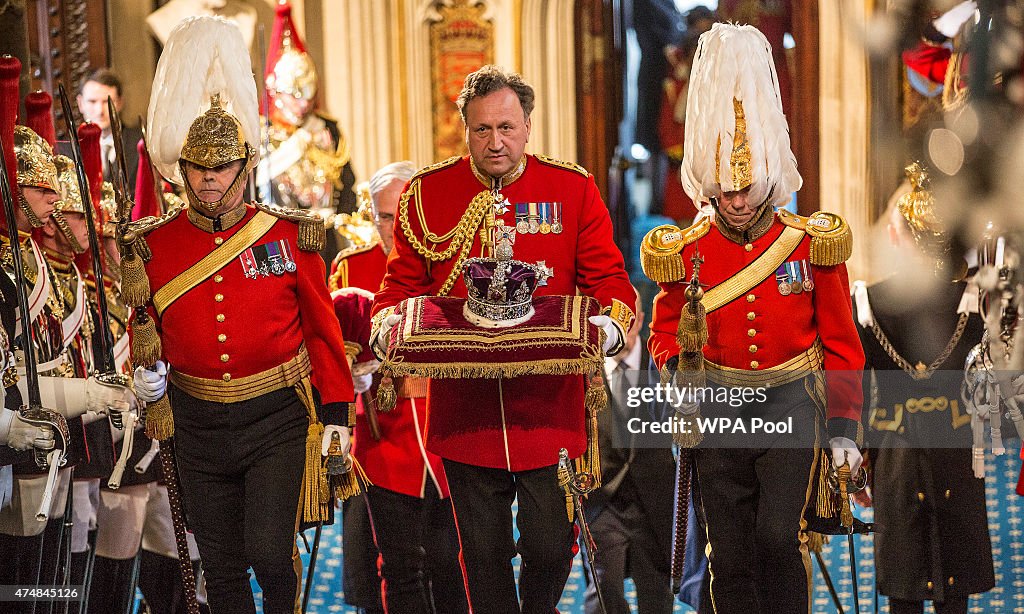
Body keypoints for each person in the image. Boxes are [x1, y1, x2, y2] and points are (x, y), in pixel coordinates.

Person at [371, 64, 636, 612]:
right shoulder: (427, 193)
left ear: (528, 126)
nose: (496, 142)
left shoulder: (572, 188)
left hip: (549, 409)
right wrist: (390, 323)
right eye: (482, 129)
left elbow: (611, 280)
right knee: (483, 555)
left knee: (548, 548)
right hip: (468, 416)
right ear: (464, 129)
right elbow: (399, 286)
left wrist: (608, 326)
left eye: (507, 127)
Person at [126, 16, 355, 614]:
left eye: (220, 168)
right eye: (198, 168)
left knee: (271, 555)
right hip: (195, 420)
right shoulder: (154, 244)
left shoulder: (289, 235)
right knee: (223, 569)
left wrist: (335, 412)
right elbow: (143, 324)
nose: (207, 180)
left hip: (275, 418)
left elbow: (321, 329)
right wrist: (144, 378)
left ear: (243, 165)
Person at [642, 24, 864, 613]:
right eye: (727, 190)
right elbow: (664, 335)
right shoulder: (685, 251)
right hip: (718, 413)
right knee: (730, 552)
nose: (739, 201)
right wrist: (677, 382)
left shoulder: (806, 244)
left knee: (775, 538)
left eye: (749, 187)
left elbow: (842, 344)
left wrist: (843, 428)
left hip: (792, 406)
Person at [854, 163, 994, 614]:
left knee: (906, 589)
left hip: (896, 458)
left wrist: (856, 459)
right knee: (945, 594)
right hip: (951, 450)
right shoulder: (974, 302)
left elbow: (858, 393)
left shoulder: (868, 304)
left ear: (896, 239)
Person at [335, 161, 466, 613]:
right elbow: (334, 353)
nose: (392, 227)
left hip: (447, 434)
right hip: (383, 439)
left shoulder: (451, 264)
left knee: (454, 561)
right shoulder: (351, 270)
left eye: (401, 214)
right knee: (399, 566)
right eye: (383, 216)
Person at [582, 295, 675, 613]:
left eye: (628, 318)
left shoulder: (662, 361)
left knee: (657, 596)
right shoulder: (584, 366)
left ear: (639, 318)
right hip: (602, 502)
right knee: (605, 595)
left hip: (656, 504)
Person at [258, 1, 357, 265]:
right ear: (277, 92)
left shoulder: (327, 129)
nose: (303, 105)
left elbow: (346, 181)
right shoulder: (260, 134)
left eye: (308, 97)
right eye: (295, 97)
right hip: (280, 241)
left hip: (327, 235)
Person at [76, 68, 141, 194]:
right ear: (80, 103)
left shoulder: (141, 143)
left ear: (120, 103)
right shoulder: (66, 149)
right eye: (92, 101)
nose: (100, 110)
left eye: (107, 102)